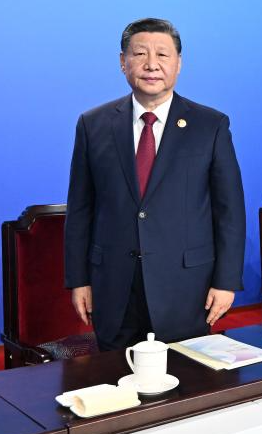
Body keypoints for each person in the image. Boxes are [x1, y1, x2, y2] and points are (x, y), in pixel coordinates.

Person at [64, 18, 245, 350]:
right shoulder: (93, 124)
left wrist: (226, 281)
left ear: (178, 63)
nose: (151, 65)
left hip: (186, 287)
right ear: (123, 62)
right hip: (114, 286)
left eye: (162, 55)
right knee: (116, 376)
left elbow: (229, 211)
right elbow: (80, 209)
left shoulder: (210, 125)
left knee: (186, 376)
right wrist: (79, 279)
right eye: (140, 54)